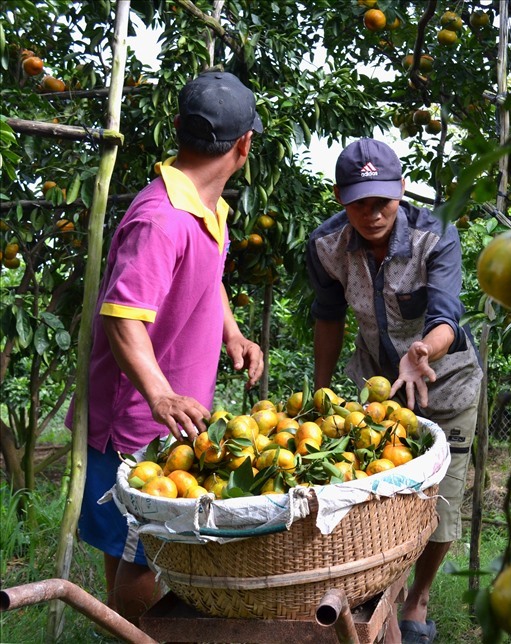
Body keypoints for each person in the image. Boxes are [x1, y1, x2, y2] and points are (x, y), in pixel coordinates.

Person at [71, 70, 265, 624]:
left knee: (139, 550)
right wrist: (159, 395)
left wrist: (232, 332)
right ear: (244, 146)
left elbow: (206, 274)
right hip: (132, 421)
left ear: (178, 128)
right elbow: (123, 319)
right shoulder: (161, 219)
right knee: (139, 556)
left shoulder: (206, 207)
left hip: (163, 416)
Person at [307, 138, 483, 644]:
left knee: (440, 499)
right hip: (377, 389)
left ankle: (418, 598)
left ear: (401, 191)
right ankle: (382, 589)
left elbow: (447, 314)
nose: (372, 213)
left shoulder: (436, 235)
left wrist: (423, 351)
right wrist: (321, 393)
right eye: (359, 203)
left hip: (443, 383)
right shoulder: (326, 245)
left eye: (381, 201)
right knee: (377, 492)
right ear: (341, 198)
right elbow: (328, 315)